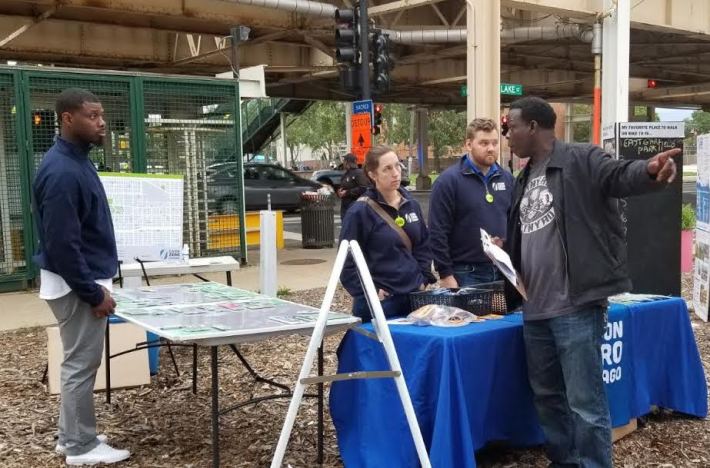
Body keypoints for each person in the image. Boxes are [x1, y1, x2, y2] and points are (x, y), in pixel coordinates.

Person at [504, 96, 679, 468]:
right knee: (548, 399)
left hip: (575, 306)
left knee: (585, 403)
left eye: (512, 127)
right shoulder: (523, 178)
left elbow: (619, 175)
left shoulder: (581, 159)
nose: (507, 135)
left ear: (533, 126)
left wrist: (648, 171)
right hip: (534, 310)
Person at [32, 88, 131, 465]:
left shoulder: (73, 160)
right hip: (76, 285)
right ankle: (81, 447)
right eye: (92, 115)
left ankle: (71, 435)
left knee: (77, 362)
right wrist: (92, 293)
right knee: (79, 365)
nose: (101, 122)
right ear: (68, 119)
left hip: (76, 281)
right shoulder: (62, 172)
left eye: (102, 115)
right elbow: (62, 244)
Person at [339, 145, 436, 321]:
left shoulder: (411, 204)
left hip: (414, 296)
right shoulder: (360, 212)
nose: (396, 173)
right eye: (387, 169)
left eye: (397, 166)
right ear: (372, 174)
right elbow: (346, 263)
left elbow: (423, 245)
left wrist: (423, 279)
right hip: (382, 302)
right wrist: (370, 291)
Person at [429, 118, 514, 288]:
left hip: (503, 270)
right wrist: (445, 274)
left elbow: (515, 222)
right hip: (466, 273)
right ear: (469, 144)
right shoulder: (448, 182)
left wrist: (505, 243)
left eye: (494, 143)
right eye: (483, 143)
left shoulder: (508, 179)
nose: (491, 148)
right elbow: (437, 232)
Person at [336, 153, 370, 218]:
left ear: (347, 162)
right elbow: (342, 187)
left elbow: (364, 188)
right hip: (345, 208)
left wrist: (347, 192)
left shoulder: (359, 173)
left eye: (344, 161)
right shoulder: (345, 174)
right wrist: (339, 192)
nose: (343, 163)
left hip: (355, 207)